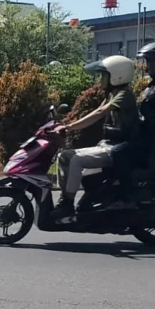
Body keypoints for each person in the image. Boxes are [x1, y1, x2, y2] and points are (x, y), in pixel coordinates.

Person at [51, 55, 139, 219]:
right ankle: (65, 199)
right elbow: (95, 112)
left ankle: (68, 205)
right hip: (107, 144)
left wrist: (69, 127)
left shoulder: (124, 94)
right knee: (64, 156)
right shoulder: (112, 94)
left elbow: (99, 114)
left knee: (76, 160)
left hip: (118, 147)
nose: (100, 80)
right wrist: (65, 124)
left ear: (116, 75)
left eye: (104, 76)